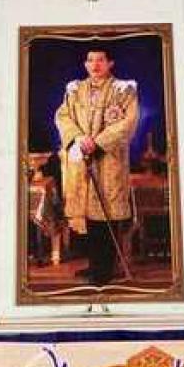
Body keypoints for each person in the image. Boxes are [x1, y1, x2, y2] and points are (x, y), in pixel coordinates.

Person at [55, 45, 139, 284]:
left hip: (108, 160)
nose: (95, 65)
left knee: (105, 213)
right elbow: (62, 116)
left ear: (110, 63)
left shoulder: (123, 90)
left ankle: (105, 270)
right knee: (88, 215)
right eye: (90, 60)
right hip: (82, 158)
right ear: (85, 64)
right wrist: (78, 138)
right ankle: (94, 265)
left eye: (100, 59)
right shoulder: (75, 90)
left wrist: (98, 142)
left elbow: (128, 122)